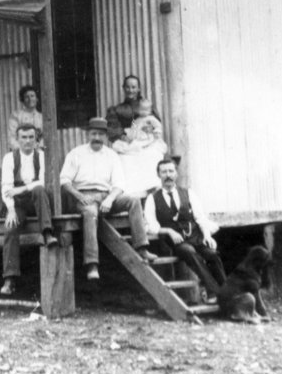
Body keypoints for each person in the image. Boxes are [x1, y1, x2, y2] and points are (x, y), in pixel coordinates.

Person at [59, 117, 157, 280]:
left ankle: (141, 247)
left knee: (133, 200)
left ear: (105, 136)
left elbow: (119, 184)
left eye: (100, 134)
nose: (97, 137)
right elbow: (64, 181)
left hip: (107, 196)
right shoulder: (76, 154)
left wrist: (110, 199)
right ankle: (92, 264)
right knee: (90, 213)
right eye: (93, 133)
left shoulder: (112, 155)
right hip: (85, 196)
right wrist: (79, 196)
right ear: (88, 134)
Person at [144, 158, 226, 299]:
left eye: (171, 171)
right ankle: (213, 292)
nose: (168, 175)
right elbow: (149, 226)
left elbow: (200, 217)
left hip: (195, 236)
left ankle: (228, 292)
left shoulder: (188, 193)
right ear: (158, 175)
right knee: (189, 251)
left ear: (176, 174)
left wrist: (207, 235)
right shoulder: (152, 198)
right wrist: (168, 231)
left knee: (212, 254)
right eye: (164, 172)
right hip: (175, 242)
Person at [0, 124, 58, 295]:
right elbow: (6, 187)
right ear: (17, 140)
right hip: (17, 204)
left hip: (37, 203)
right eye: (23, 138)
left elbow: (42, 182)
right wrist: (10, 209)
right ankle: (9, 279)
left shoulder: (41, 156)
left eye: (31, 137)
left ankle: (47, 234)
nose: (27, 141)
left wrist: (23, 188)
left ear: (36, 139)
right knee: (10, 228)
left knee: (39, 190)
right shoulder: (9, 158)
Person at [111, 97, 167, 197]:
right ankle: (133, 189)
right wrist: (130, 136)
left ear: (150, 110)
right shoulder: (136, 120)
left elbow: (158, 127)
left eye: (146, 110)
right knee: (127, 154)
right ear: (137, 109)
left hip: (149, 139)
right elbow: (133, 131)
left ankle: (150, 185)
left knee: (149, 154)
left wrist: (156, 133)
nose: (144, 112)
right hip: (138, 140)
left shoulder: (151, 119)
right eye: (141, 109)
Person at [106, 74, 158, 142]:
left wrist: (150, 128)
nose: (130, 90)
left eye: (133, 87)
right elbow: (112, 128)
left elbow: (156, 123)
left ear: (138, 88)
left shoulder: (146, 107)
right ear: (123, 88)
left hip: (147, 140)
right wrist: (122, 137)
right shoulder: (117, 110)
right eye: (127, 87)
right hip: (126, 142)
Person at [7, 84, 43, 150]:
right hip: (20, 152)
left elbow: (44, 138)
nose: (30, 99)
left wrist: (38, 147)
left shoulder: (41, 117)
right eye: (27, 97)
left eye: (32, 96)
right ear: (22, 100)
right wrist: (23, 150)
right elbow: (11, 138)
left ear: (37, 98)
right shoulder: (16, 116)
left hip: (37, 151)